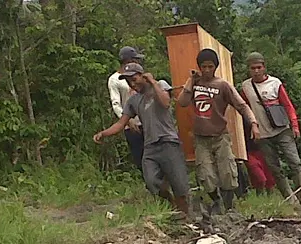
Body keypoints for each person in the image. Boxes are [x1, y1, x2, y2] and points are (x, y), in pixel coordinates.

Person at [94, 63, 189, 217]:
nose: (132, 84)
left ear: (142, 75)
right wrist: (103, 134)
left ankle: (186, 217)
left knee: (180, 185)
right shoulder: (133, 101)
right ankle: (170, 207)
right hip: (150, 146)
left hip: (168, 142)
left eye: (134, 79)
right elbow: (121, 123)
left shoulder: (160, 85)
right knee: (151, 182)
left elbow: (165, 102)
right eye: (129, 81)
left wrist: (152, 82)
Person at [177, 48, 260, 213]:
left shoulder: (222, 85)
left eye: (210, 66)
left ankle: (229, 206)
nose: (207, 70)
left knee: (227, 172)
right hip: (201, 139)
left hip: (220, 136)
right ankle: (216, 201)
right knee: (206, 175)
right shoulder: (194, 84)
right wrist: (190, 81)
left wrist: (253, 123)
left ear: (215, 66)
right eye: (204, 67)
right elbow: (182, 102)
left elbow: (241, 105)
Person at [239, 52, 301, 207]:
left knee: (295, 162)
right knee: (274, 168)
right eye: (253, 68)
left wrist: (295, 125)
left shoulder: (275, 83)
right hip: (263, 135)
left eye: (259, 67)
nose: (256, 71)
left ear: (264, 67)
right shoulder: (246, 87)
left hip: (281, 129)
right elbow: (243, 107)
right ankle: (289, 198)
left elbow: (287, 104)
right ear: (249, 69)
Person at [108, 46, 145, 170]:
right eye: (135, 60)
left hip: (146, 121)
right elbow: (116, 104)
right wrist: (127, 121)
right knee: (140, 157)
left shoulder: (139, 76)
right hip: (131, 125)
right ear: (128, 61)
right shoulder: (115, 80)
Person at [242, 116, 275, 195]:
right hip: (248, 151)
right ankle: (260, 197)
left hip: (263, 150)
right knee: (259, 178)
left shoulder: (259, 112)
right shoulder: (238, 115)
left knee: (270, 179)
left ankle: (270, 200)